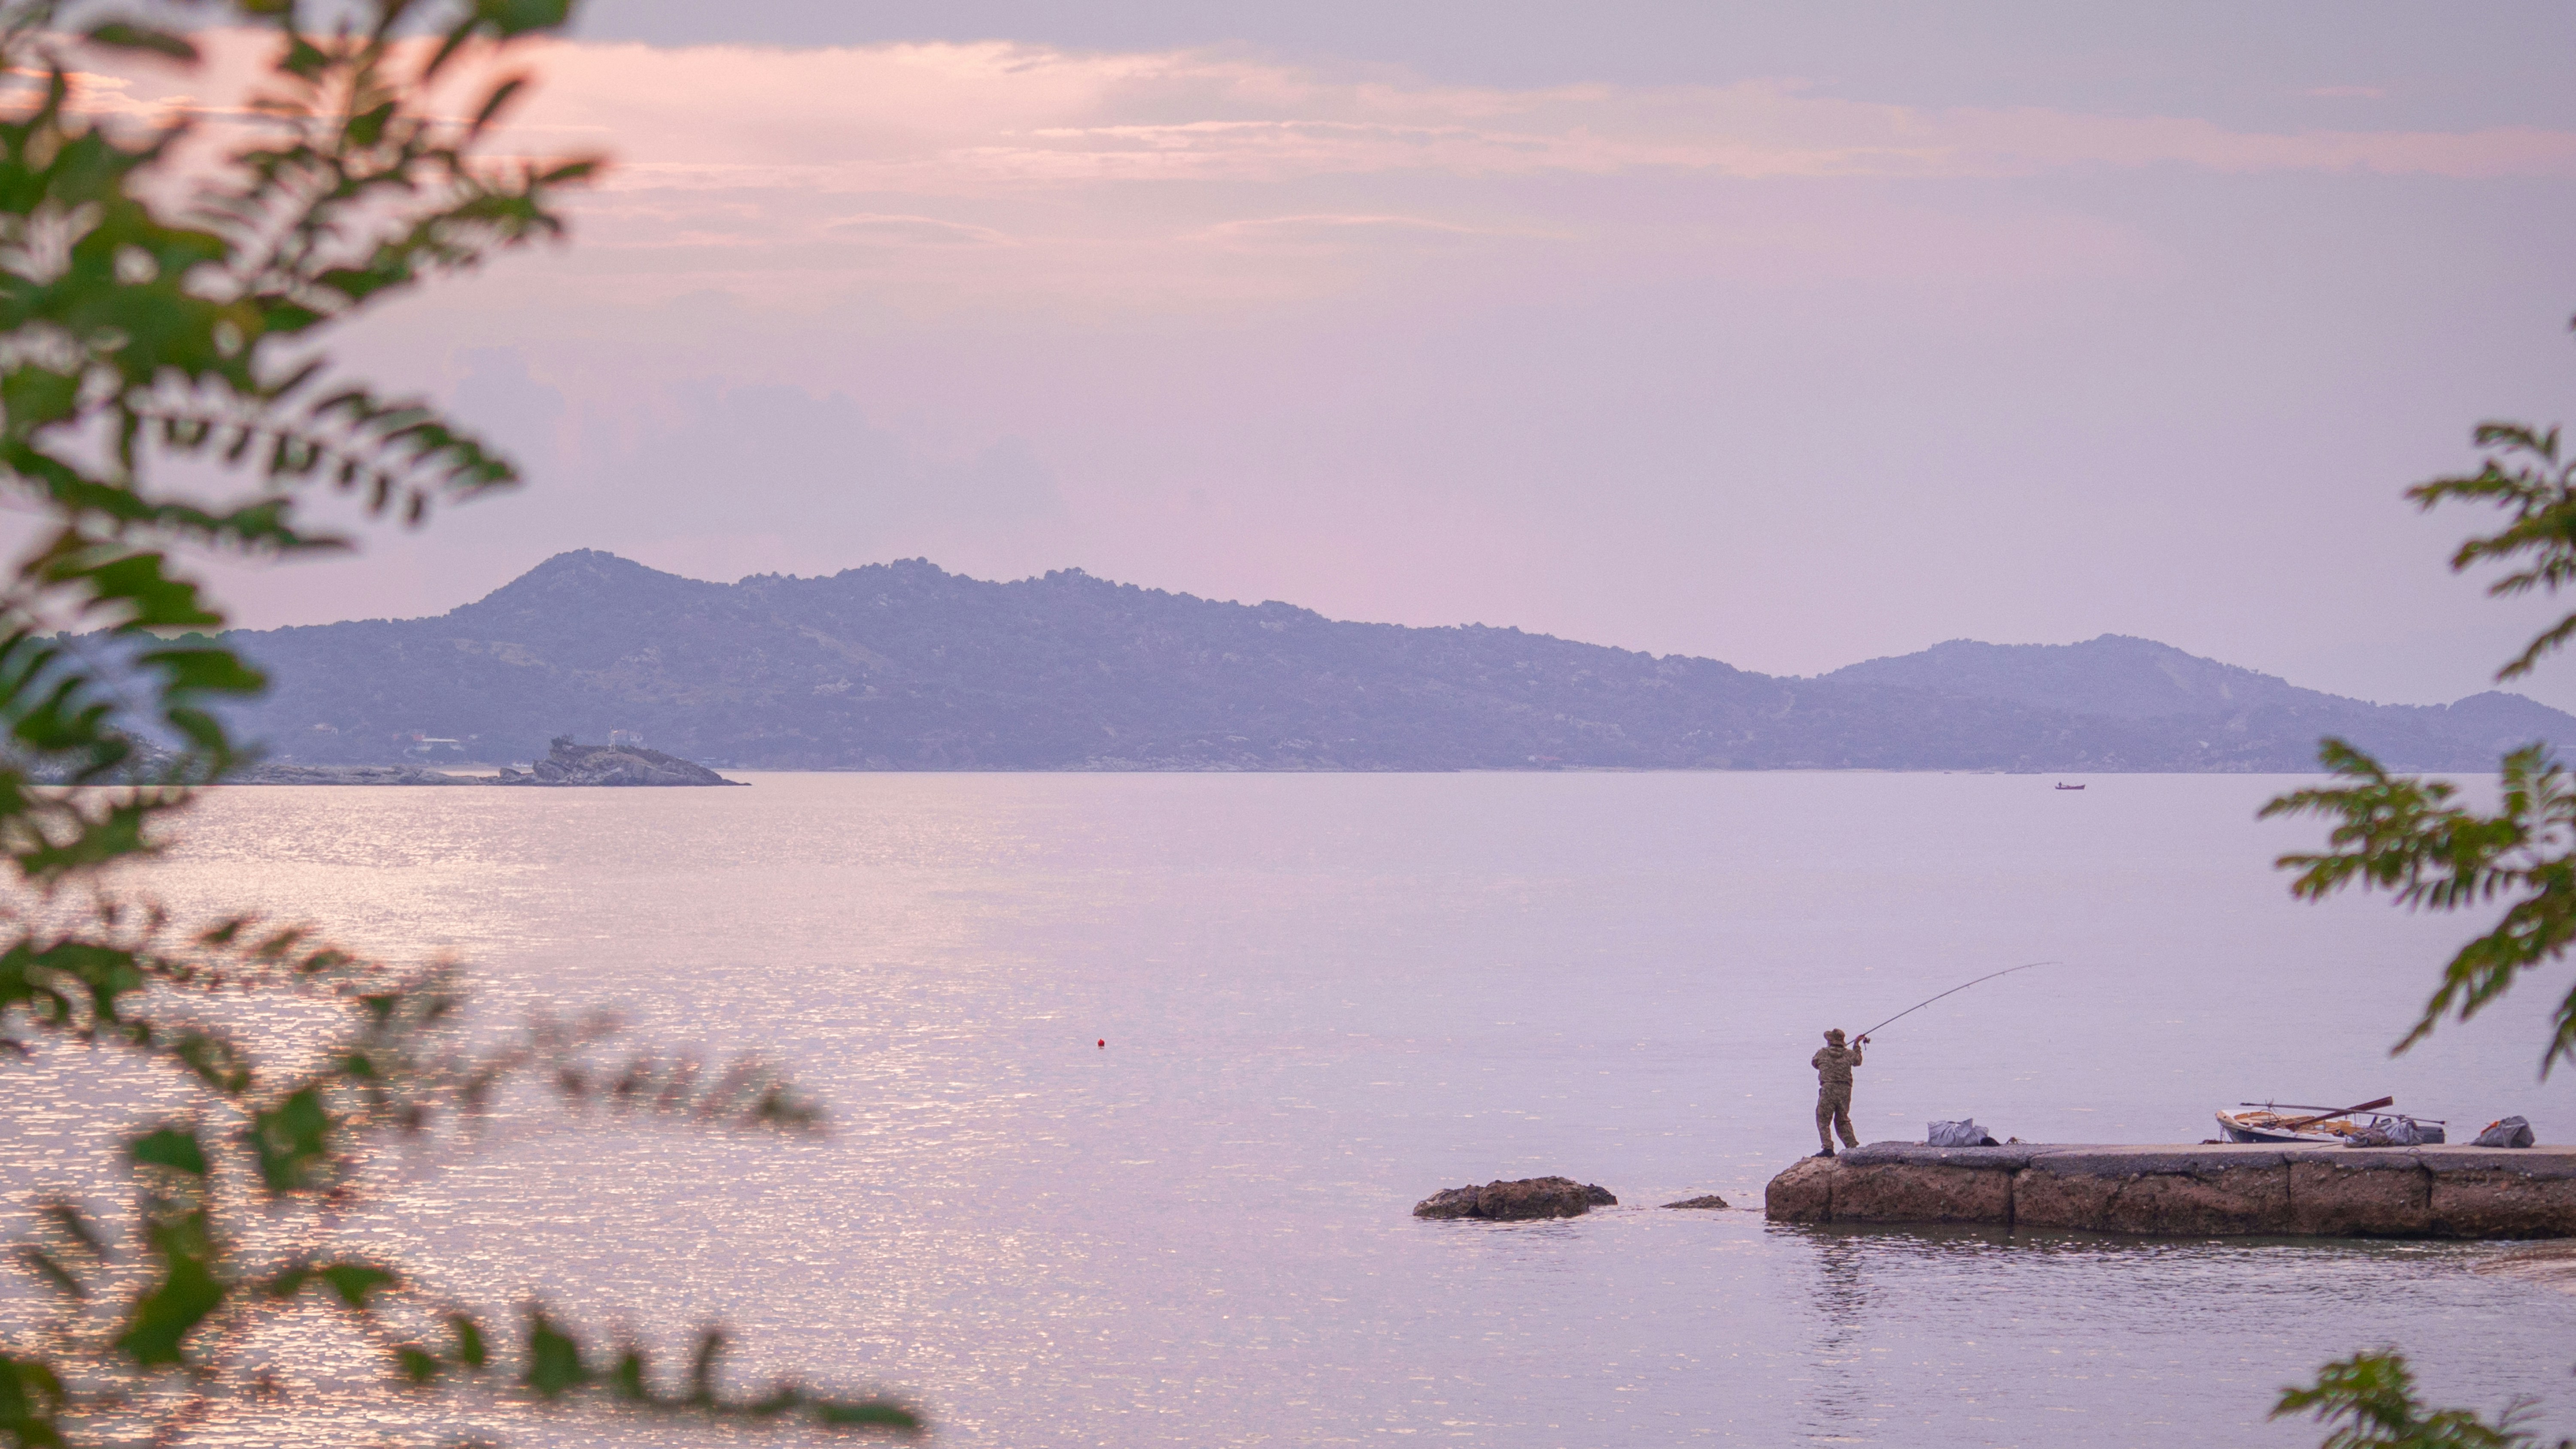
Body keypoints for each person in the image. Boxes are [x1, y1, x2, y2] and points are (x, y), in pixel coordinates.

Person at [1812, 1028, 1866, 1157]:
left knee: (1823, 1119)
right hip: (1845, 1090)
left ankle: (1828, 1148)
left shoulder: (1822, 1053)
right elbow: (1858, 1061)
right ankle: (1852, 1147)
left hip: (1828, 1089)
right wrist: (1856, 1046)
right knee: (1843, 1120)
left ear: (1830, 1042)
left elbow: (1815, 1063)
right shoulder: (1849, 1054)